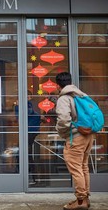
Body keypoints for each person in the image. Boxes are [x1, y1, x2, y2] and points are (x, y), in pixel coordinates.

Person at [55, 72, 94, 210]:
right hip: (88, 135)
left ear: (57, 85)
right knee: (83, 166)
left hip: (76, 137)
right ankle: (85, 198)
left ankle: (80, 201)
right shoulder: (81, 94)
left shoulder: (64, 98)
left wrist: (63, 133)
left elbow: (64, 120)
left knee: (76, 168)